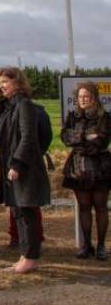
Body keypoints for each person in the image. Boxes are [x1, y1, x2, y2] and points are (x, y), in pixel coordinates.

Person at [0, 66, 51, 274]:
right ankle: (24, 255)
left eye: (6, 82)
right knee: (18, 212)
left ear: (17, 82)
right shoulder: (9, 107)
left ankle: (31, 258)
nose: (2, 86)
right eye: (0, 83)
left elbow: (28, 138)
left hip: (25, 169)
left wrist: (17, 164)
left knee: (27, 213)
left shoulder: (24, 105)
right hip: (11, 167)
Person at [61, 80, 110, 260]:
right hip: (78, 166)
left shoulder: (104, 116)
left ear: (94, 97)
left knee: (101, 207)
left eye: (86, 96)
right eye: (80, 97)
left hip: (101, 167)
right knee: (84, 207)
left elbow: (102, 141)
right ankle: (86, 245)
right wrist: (85, 136)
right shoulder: (72, 116)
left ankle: (102, 246)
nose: (83, 99)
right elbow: (65, 137)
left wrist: (82, 140)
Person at [6, 102, 52, 249]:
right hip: (11, 162)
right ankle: (17, 237)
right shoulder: (9, 109)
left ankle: (32, 241)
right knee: (15, 203)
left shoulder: (37, 111)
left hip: (28, 163)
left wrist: (35, 154)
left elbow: (45, 136)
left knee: (29, 206)